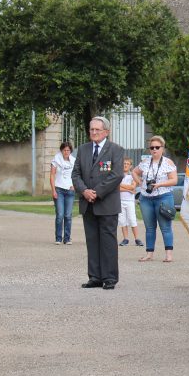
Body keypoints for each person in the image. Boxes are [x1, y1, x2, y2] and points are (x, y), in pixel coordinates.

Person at [72, 116, 125, 290]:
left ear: (106, 132)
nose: (94, 132)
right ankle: (94, 276)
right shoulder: (83, 149)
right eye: (91, 129)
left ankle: (110, 278)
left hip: (107, 203)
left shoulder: (115, 150)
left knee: (108, 242)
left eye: (97, 130)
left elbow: (116, 175)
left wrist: (97, 192)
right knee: (92, 240)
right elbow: (76, 174)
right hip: (88, 203)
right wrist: (85, 191)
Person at [133, 135, 178, 263]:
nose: (154, 150)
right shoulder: (145, 162)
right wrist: (141, 183)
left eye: (157, 147)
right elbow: (134, 172)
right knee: (149, 227)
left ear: (162, 148)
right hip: (146, 198)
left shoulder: (168, 162)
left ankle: (168, 254)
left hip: (163, 197)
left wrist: (159, 185)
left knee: (165, 227)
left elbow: (174, 180)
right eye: (151, 147)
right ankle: (149, 253)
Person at [50, 141, 76, 245]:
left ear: (70, 151)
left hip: (70, 190)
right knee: (60, 215)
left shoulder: (73, 161)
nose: (66, 152)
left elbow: (76, 174)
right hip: (59, 189)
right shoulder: (56, 159)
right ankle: (58, 238)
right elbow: (52, 175)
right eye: (64, 150)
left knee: (68, 215)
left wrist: (75, 185)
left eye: (68, 150)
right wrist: (53, 190)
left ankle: (67, 238)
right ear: (61, 150)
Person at [118, 158, 142, 246]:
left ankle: (137, 239)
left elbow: (133, 187)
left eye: (127, 164)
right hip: (120, 201)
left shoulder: (133, 176)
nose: (125, 165)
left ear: (130, 166)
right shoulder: (119, 176)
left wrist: (121, 186)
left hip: (130, 201)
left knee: (132, 219)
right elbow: (116, 188)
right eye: (124, 163)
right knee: (122, 220)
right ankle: (125, 239)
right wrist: (128, 188)